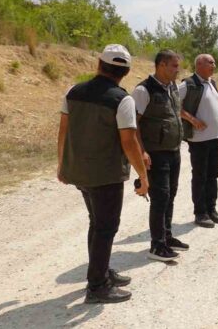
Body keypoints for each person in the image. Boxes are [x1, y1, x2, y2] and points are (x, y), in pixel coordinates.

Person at [57, 44, 149, 304]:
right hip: (105, 175)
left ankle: (101, 271)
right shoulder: (122, 99)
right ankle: (97, 286)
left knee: (96, 223)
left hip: (79, 172)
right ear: (127, 71)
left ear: (99, 64)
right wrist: (144, 176)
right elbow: (129, 143)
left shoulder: (73, 91)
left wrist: (61, 164)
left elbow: (63, 130)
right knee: (106, 227)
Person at [132, 50, 187, 262]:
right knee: (160, 197)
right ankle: (157, 245)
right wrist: (142, 151)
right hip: (156, 153)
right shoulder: (143, 90)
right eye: (174, 66)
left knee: (170, 194)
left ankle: (167, 236)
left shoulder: (172, 87)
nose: (177, 70)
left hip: (173, 150)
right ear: (161, 65)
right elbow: (133, 123)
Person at [179, 54, 218, 228]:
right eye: (210, 62)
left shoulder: (211, 83)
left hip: (215, 138)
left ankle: (211, 209)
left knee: (213, 175)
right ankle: (200, 213)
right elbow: (173, 103)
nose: (214, 65)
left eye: (214, 62)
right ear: (198, 64)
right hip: (199, 140)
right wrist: (192, 119)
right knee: (200, 176)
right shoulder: (188, 84)